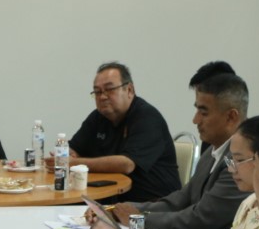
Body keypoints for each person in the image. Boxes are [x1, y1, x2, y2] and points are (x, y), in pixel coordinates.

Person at [111, 71, 250, 229]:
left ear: (231, 116)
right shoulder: (212, 152)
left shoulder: (239, 164)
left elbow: (198, 220)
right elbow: (180, 199)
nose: (195, 120)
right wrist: (125, 209)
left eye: (204, 113)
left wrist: (139, 219)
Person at [64, 62, 181, 201]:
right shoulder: (98, 117)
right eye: (97, 92)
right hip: (109, 197)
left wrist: (72, 163)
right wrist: (65, 154)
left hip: (152, 204)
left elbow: (126, 164)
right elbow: (73, 149)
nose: (102, 97)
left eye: (109, 89)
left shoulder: (147, 117)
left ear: (129, 90)